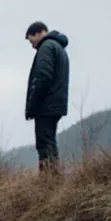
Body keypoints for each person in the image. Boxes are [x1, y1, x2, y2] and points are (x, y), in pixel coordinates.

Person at [24, 22, 70, 171]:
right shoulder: (59, 47)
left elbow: (43, 77)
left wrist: (33, 103)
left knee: (44, 144)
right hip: (56, 103)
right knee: (49, 141)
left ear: (38, 33)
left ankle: (48, 179)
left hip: (46, 105)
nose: (32, 46)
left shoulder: (46, 47)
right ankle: (52, 178)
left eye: (32, 41)